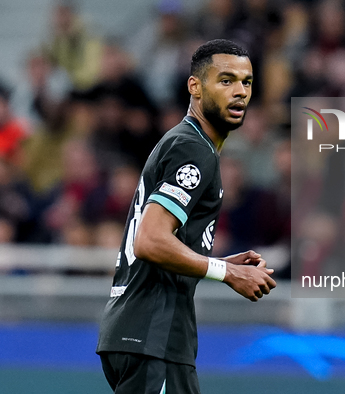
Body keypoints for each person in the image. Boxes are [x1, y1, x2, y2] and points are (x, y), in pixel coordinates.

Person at [96, 39, 276, 394]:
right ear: (195, 86)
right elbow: (149, 240)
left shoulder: (188, 143)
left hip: (144, 336)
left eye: (247, 82)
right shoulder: (193, 149)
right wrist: (226, 272)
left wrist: (217, 262)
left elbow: (163, 241)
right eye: (226, 80)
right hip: (152, 335)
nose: (239, 92)